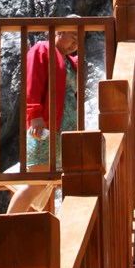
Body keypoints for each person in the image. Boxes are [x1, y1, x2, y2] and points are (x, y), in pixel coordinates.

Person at [6, 22, 79, 214]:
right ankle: (6, 233)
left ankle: (28, 237)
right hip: (45, 129)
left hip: (62, 134)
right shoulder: (42, 49)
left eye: (81, 39)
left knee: (45, 186)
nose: (76, 42)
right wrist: (34, 115)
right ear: (60, 30)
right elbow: (32, 83)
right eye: (74, 36)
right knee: (37, 184)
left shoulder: (70, 61)